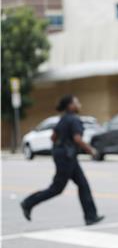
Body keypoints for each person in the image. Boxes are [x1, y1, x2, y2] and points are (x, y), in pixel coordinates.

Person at [21, 95, 105, 226]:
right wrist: (91, 150)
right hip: (67, 157)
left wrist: (62, 144)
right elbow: (77, 139)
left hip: (64, 156)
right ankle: (28, 203)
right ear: (70, 105)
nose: (79, 104)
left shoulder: (63, 119)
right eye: (76, 102)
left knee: (83, 184)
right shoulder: (74, 120)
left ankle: (91, 216)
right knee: (57, 188)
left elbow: (53, 137)